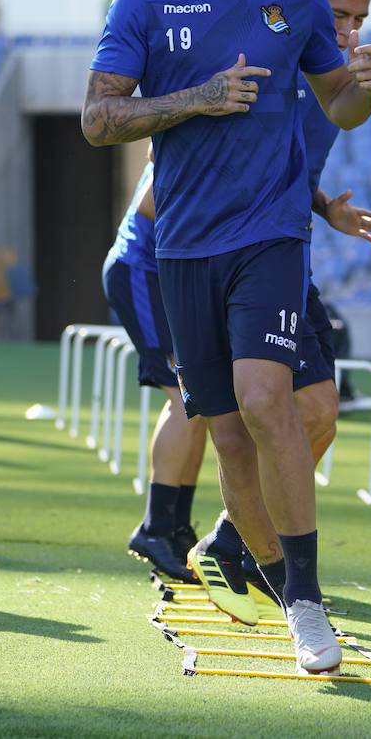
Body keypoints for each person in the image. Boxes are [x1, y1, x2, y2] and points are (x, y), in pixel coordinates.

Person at [82, 0, 371, 676]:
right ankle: (282, 592)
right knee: (229, 439)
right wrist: (196, 98)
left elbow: (340, 108)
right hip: (180, 247)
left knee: (267, 402)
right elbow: (97, 119)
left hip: (269, 240)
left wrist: (367, 86)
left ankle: (311, 603)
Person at [187, 0, 371, 624]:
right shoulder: (264, 53)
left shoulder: (336, 78)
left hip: (285, 249)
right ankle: (239, 548)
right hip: (233, 252)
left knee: (318, 413)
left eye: (358, 19)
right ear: (303, 4)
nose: (346, 32)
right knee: (261, 416)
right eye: (336, 14)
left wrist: (325, 204)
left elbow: (293, 162)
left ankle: (232, 536)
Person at [102, 147, 207, 583]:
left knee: (201, 402)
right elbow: (151, 201)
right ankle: (154, 528)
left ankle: (177, 527)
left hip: (162, 276)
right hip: (142, 271)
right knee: (185, 401)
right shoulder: (196, 124)